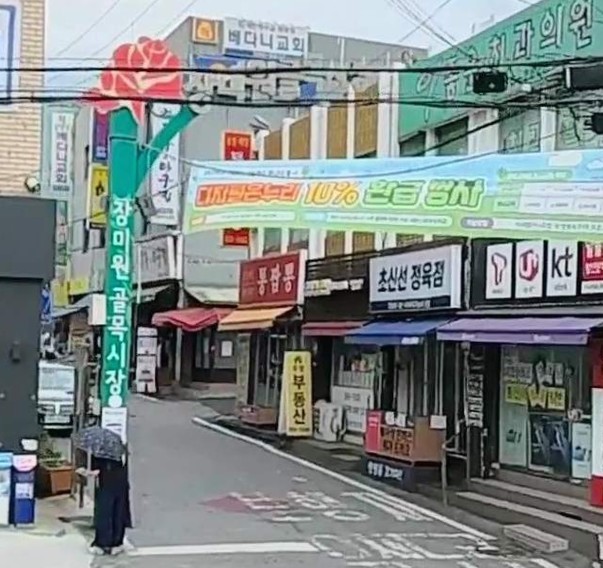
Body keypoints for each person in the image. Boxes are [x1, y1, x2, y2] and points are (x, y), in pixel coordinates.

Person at [89, 454, 132, 555]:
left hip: (106, 472)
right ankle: (116, 542)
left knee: (105, 506)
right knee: (118, 506)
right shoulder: (119, 446)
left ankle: (103, 542)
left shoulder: (101, 448)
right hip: (118, 471)